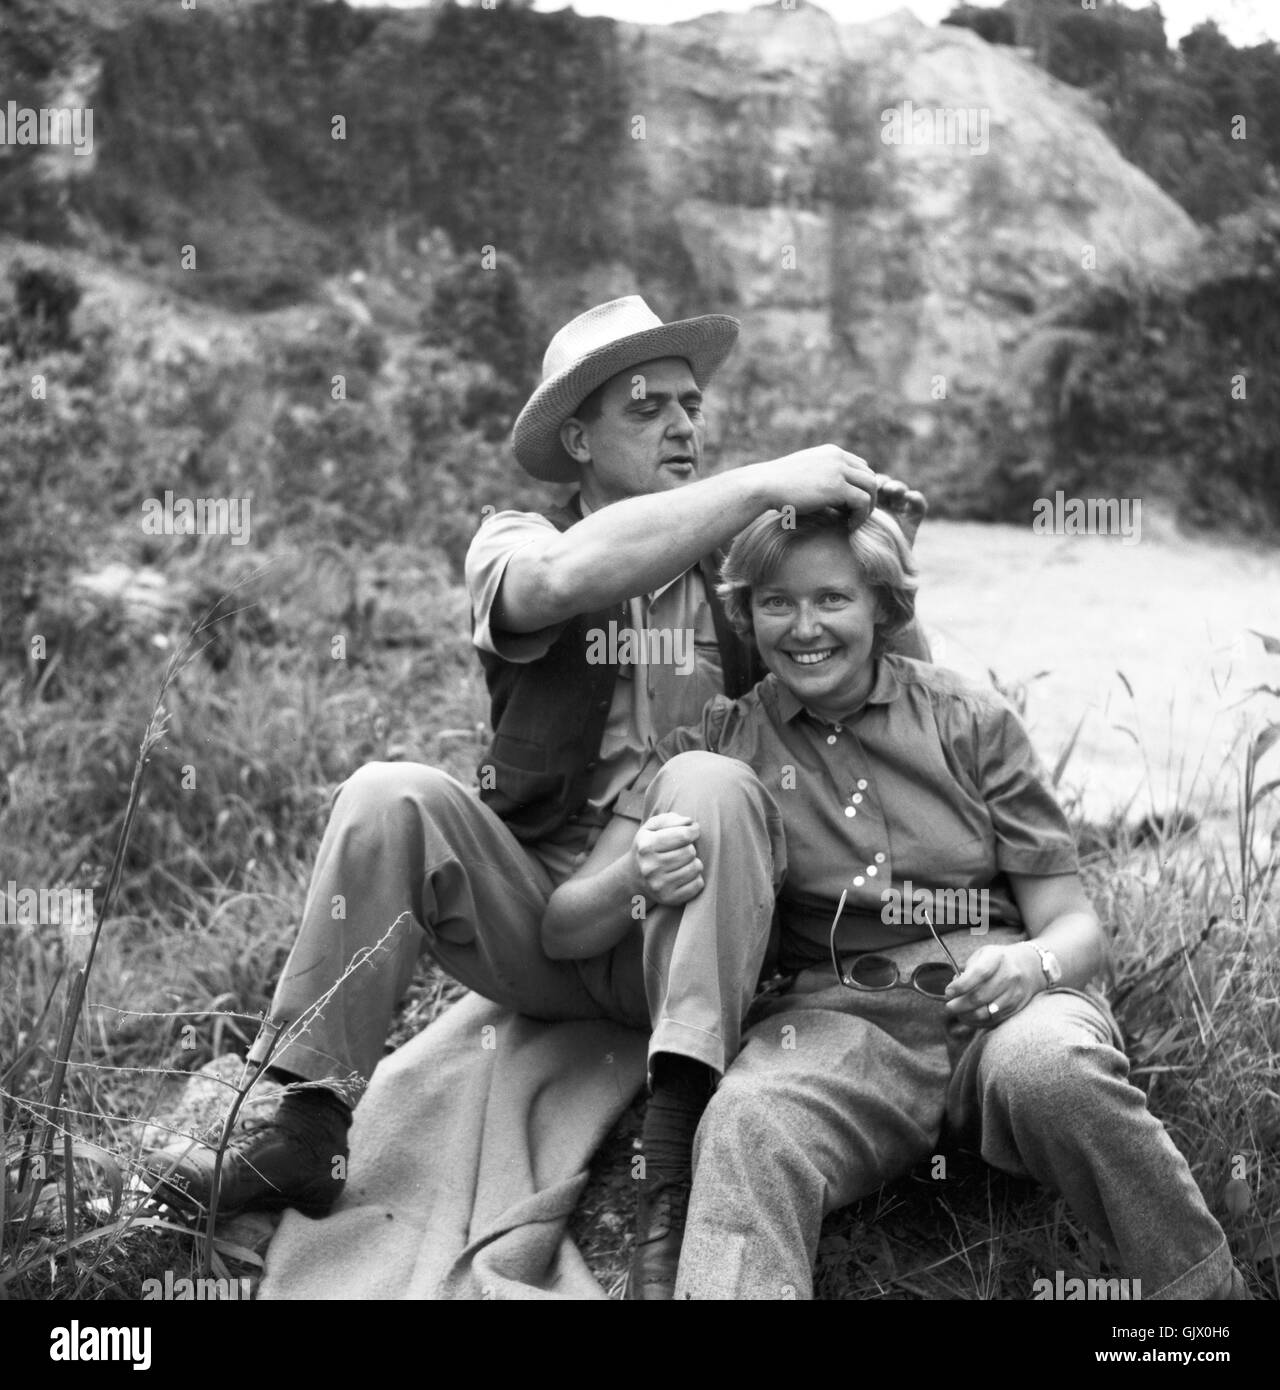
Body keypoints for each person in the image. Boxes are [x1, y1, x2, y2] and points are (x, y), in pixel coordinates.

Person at [142, 296, 930, 1267]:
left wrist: (885, 573)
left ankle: (668, 1165)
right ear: (577, 437)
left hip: (690, 930)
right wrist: (765, 479)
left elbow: (885, 693)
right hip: (543, 920)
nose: (683, 424)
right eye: (647, 408)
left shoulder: (743, 577)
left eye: (691, 405)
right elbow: (556, 583)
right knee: (387, 794)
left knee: (713, 781)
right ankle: (297, 1114)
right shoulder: (513, 539)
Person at [542, 505, 1247, 1300]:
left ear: (882, 603)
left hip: (999, 1006)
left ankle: (1205, 1309)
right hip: (833, 1029)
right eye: (776, 603)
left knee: (1053, 1072)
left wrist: (1030, 964)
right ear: (745, 614)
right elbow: (565, 924)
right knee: (749, 1122)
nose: (804, 627)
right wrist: (636, 875)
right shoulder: (718, 743)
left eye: (832, 599)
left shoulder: (971, 722)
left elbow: (1075, 925)